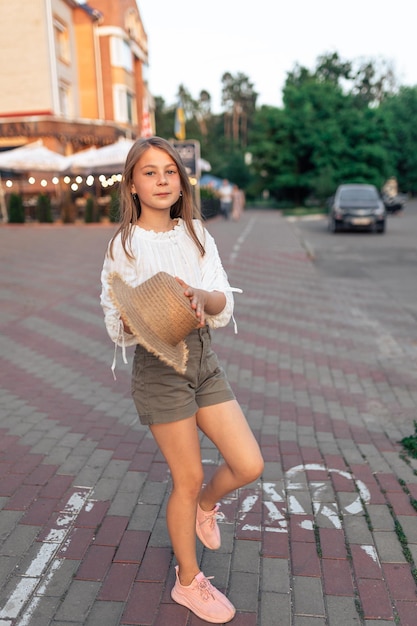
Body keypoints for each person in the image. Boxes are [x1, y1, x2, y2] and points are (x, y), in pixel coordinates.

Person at [100, 137, 264, 624]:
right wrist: (150, 310)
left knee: (249, 463)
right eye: (149, 172)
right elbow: (115, 319)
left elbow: (222, 300)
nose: (162, 180)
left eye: (169, 170)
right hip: (158, 366)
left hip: (203, 359)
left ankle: (207, 506)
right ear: (132, 184)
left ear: (181, 179)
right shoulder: (123, 244)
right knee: (187, 478)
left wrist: (197, 296)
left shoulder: (196, 233)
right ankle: (188, 583)